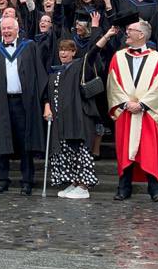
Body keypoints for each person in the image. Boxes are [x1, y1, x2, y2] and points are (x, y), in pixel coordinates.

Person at [46, 27, 117, 199]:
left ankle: (84, 186)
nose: (63, 53)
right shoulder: (55, 72)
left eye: (67, 50)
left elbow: (93, 52)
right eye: (61, 50)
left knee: (81, 151)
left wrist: (106, 36)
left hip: (79, 117)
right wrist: (47, 106)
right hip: (62, 120)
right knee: (68, 152)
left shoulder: (79, 66)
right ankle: (74, 182)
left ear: (73, 52)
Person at [107, 19, 158, 202]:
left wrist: (142, 104)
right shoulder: (117, 57)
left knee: (149, 150)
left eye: (131, 30)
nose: (127, 32)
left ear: (141, 35)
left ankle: (155, 188)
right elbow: (113, 84)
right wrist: (126, 104)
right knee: (124, 150)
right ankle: (123, 187)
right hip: (126, 112)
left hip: (147, 113)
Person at [0, 18, 50, 195]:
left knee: (25, 143)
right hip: (3, 103)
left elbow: (40, 75)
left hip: (25, 103)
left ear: (17, 30)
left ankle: (27, 181)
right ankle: (2, 180)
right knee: (1, 141)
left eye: (9, 28)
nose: (6, 31)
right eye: (3, 28)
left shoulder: (29, 47)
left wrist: (45, 102)